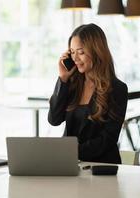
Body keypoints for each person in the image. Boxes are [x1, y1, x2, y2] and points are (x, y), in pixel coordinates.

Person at [48, 23, 128, 164]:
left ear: (97, 51)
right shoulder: (72, 84)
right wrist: (63, 79)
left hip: (100, 167)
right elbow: (54, 119)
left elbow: (108, 138)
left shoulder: (117, 89)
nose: (75, 58)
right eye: (72, 52)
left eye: (81, 52)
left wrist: (73, 152)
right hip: (69, 164)